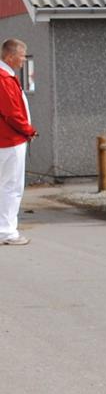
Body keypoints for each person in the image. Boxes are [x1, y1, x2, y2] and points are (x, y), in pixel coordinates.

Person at [0, 38, 36, 246]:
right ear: (10, 56)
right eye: (22, 56)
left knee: (6, 185)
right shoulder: (4, 78)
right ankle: (6, 232)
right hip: (10, 140)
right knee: (11, 186)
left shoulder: (6, 76)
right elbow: (12, 113)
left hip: (7, 139)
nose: (24, 60)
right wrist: (29, 130)